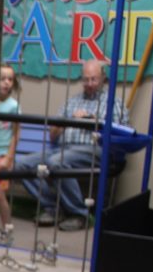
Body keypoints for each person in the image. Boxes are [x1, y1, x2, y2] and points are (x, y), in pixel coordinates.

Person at [14, 59, 128, 232]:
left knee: (56, 162)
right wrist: (67, 122)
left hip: (95, 150)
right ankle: (54, 208)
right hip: (61, 148)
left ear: (103, 78)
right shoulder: (71, 102)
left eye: (93, 79)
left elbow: (119, 135)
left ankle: (79, 214)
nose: (89, 84)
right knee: (21, 165)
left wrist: (91, 120)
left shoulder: (115, 103)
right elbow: (53, 135)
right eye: (86, 79)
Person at [0, 64, 21, 245]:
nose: (7, 83)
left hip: (2, 156)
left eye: (10, 79)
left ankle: (7, 228)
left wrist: (9, 158)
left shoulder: (13, 107)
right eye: (3, 79)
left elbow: (16, 133)